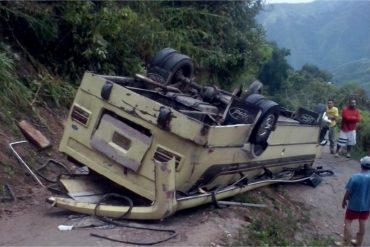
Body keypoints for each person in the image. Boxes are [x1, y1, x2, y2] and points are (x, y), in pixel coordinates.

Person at [335, 156, 370, 246]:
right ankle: (359, 242)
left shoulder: (355, 177)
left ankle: (346, 242)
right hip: (366, 206)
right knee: (362, 222)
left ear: (361, 165)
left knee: (348, 221)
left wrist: (344, 201)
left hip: (354, 205)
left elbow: (348, 192)